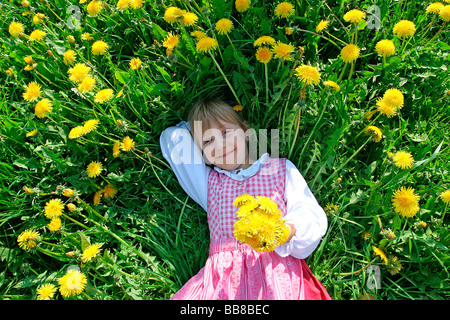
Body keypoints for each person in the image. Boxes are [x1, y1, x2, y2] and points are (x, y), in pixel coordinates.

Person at [159, 99, 331, 300]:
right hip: (225, 285)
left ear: (246, 132)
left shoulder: (280, 169)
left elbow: (308, 210)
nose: (220, 144)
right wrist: (196, 123)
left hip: (276, 274)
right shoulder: (209, 183)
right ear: (201, 154)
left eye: (225, 132)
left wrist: (286, 230)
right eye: (207, 141)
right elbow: (173, 138)